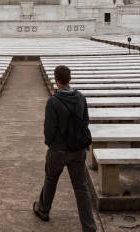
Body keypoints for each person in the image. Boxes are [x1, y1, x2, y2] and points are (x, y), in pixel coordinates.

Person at [33, 65, 97, 232]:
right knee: (81, 187)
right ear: (70, 78)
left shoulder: (53, 101)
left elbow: (49, 129)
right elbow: (85, 121)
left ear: (56, 79)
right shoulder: (81, 97)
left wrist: (50, 143)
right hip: (77, 150)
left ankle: (43, 210)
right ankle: (89, 227)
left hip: (58, 150)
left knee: (51, 179)